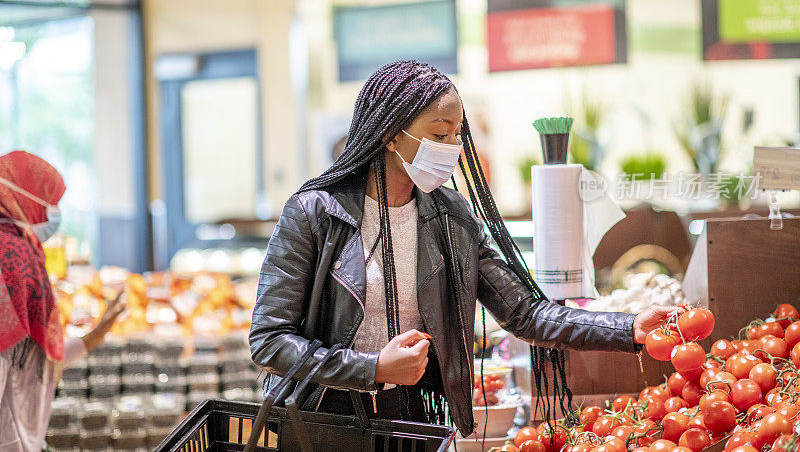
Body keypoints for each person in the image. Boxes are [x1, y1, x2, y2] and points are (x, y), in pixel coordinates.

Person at [249, 61, 671, 436]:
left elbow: (524, 313)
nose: (452, 149)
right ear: (391, 136)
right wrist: (372, 368)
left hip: (414, 419)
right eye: (438, 134)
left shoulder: (452, 216)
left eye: (457, 134)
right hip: (326, 420)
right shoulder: (314, 214)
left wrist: (626, 328)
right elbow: (269, 340)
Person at [0, 151, 124, 452]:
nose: (54, 212)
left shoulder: (22, 247)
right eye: (49, 201)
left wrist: (92, 337)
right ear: (26, 197)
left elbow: (32, 356)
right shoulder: (12, 256)